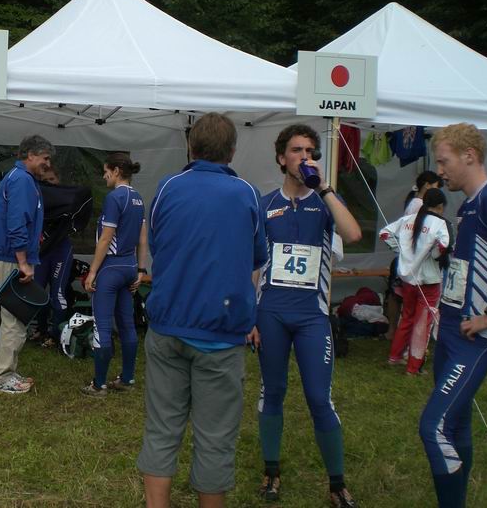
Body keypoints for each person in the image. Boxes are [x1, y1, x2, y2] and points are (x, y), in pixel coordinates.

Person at [137, 113, 267, 508]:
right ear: (232, 151)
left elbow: (158, 245)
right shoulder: (246, 194)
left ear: (190, 148)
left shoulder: (167, 188)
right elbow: (256, 258)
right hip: (220, 334)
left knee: (162, 429)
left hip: (168, 325)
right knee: (215, 439)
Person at [255, 124, 362, 508]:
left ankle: (337, 484)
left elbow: (353, 234)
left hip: (311, 316)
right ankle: (271, 471)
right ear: (281, 157)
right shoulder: (265, 204)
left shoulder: (325, 201)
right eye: (297, 150)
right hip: (271, 312)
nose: (305, 157)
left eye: (310, 152)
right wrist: (251, 315)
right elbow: (254, 264)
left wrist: (326, 189)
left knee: (319, 398)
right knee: (272, 392)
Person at [419, 123, 487, 508]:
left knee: (434, 427)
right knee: (457, 423)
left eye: (444, 161)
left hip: (473, 339)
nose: (440, 170)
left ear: (470, 156)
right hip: (449, 331)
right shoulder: (467, 205)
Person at [0, 135, 54, 395]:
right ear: (30, 155)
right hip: (13, 259)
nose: (48, 164)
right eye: (45, 158)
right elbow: (16, 223)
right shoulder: (22, 180)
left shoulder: (21, 178)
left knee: (15, 319)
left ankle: (7, 373)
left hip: (12, 256)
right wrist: (23, 262)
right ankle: (1, 379)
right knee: (14, 320)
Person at [81, 153, 147, 396]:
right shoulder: (138, 198)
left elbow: (106, 239)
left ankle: (98, 384)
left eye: (106, 170)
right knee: (127, 325)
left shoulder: (114, 198)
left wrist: (92, 272)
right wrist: (141, 269)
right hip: (129, 268)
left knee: (103, 326)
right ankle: (127, 379)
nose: (104, 176)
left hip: (111, 269)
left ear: (117, 171)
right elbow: (143, 239)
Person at [381, 188, 451, 375]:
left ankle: (395, 356)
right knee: (423, 325)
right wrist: (431, 254)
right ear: (440, 206)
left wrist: (402, 252)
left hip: (408, 279)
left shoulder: (408, 219)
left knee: (407, 318)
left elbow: (384, 234)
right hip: (429, 281)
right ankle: (413, 367)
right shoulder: (440, 223)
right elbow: (444, 245)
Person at [32, 166, 75, 348]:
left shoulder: (67, 199)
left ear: (58, 181)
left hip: (60, 251)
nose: (48, 184)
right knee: (37, 292)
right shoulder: (37, 198)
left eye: (51, 180)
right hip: (42, 252)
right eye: (45, 181)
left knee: (57, 294)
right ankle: (41, 330)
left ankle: (56, 335)